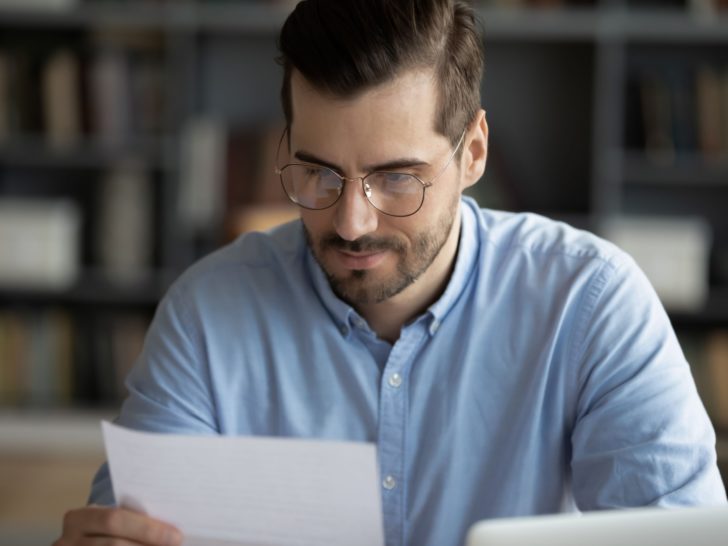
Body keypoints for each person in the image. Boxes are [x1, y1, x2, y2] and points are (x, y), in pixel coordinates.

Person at [55, 1, 727, 545]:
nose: (351, 222)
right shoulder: (206, 314)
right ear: (285, 150)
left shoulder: (592, 305)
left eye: (396, 177)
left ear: (475, 153)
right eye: (319, 172)